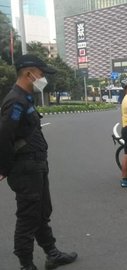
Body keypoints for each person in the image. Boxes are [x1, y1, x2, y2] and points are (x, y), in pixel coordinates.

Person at [0, 54, 77, 270]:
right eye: (41, 75)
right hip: (25, 168)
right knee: (28, 217)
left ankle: (52, 254)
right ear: (28, 74)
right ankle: (26, 265)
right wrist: (3, 167)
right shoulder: (15, 101)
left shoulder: (25, 98)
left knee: (42, 212)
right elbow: (5, 136)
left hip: (36, 165)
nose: (42, 79)